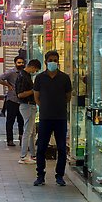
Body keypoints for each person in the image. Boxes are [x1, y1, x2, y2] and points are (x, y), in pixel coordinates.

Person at [33, 50, 72, 187]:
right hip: (45, 118)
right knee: (41, 147)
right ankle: (40, 175)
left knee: (61, 148)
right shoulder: (40, 78)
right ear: (45, 62)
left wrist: (59, 105)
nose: (53, 62)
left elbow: (68, 96)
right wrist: (44, 107)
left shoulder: (64, 78)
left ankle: (59, 176)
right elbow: (36, 97)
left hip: (60, 118)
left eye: (55, 60)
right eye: (50, 60)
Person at [15, 59, 42, 164]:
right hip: (27, 106)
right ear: (33, 67)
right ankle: (23, 156)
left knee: (32, 131)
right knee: (28, 131)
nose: (35, 72)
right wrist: (34, 90)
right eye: (35, 69)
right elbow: (20, 94)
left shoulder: (25, 76)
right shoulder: (23, 76)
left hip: (29, 106)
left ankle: (33, 154)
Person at [0, 56, 26, 146]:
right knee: (10, 121)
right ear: (15, 63)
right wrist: (7, 85)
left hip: (22, 100)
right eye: (19, 62)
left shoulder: (25, 73)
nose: (20, 64)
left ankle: (21, 138)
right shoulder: (11, 72)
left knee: (21, 121)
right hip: (12, 100)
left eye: (22, 62)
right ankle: (10, 140)